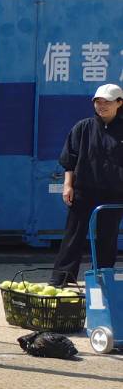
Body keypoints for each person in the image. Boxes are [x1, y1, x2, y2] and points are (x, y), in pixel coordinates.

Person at [50, 83, 123, 287]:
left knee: (107, 238)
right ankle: (62, 279)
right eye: (98, 102)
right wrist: (68, 185)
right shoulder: (83, 128)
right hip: (83, 189)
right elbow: (70, 159)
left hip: (114, 193)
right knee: (74, 235)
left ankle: (102, 280)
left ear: (119, 103)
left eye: (107, 102)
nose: (101, 106)